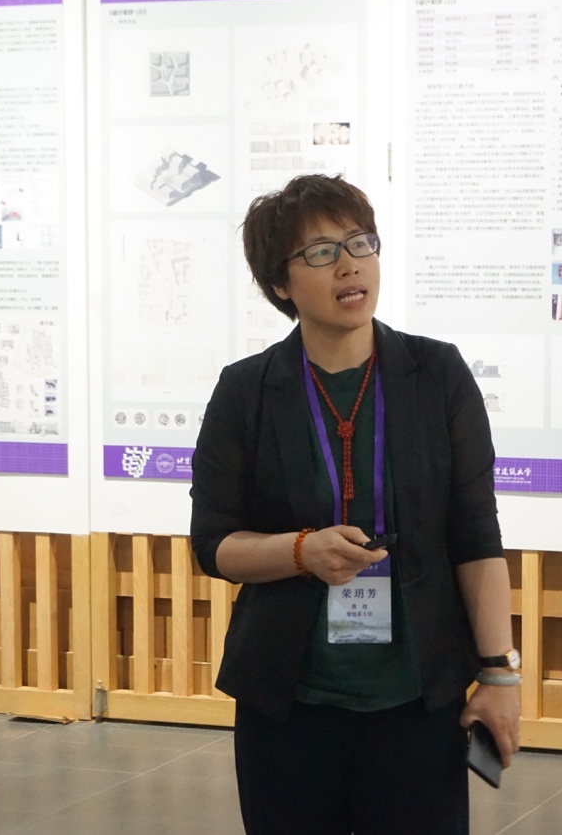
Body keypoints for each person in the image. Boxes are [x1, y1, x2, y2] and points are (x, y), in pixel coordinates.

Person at [190, 174, 520, 835]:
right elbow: (214, 544)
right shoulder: (246, 391)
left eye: (361, 242)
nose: (349, 265)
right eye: (320, 252)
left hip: (416, 699)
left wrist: (499, 675)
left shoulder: (438, 375)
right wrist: (299, 552)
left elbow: (476, 536)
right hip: (289, 704)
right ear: (280, 283)